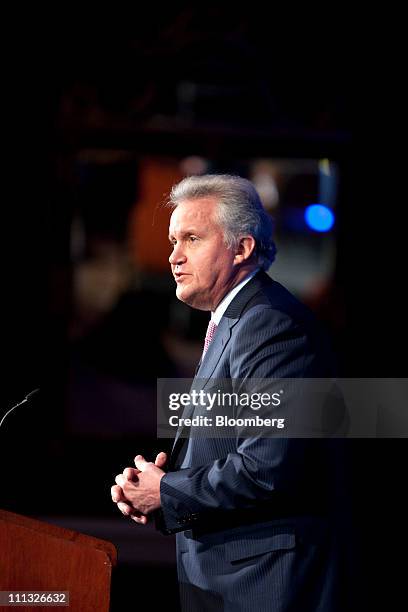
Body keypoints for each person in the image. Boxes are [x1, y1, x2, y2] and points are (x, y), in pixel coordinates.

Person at [111, 175, 350, 611]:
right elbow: (229, 448)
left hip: (264, 584)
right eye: (172, 240)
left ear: (242, 248)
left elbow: (265, 467)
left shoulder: (271, 325)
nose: (173, 257)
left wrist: (166, 490)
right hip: (230, 577)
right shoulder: (234, 321)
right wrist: (156, 491)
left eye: (191, 239)